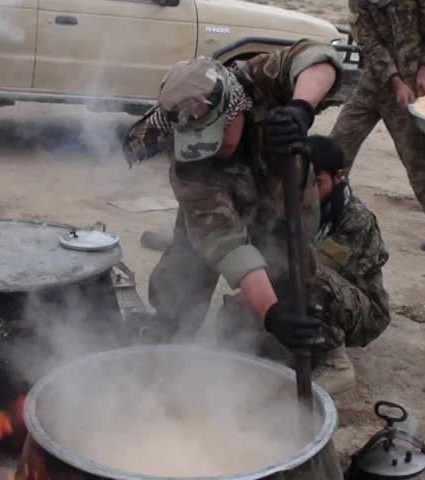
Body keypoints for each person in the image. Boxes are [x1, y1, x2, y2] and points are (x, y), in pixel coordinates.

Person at [121, 39, 361, 393]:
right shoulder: (190, 167)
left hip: (282, 202)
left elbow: (320, 59)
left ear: (235, 110)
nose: (212, 150)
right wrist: (272, 314)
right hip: (219, 209)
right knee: (183, 270)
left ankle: (328, 355)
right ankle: (169, 329)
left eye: (216, 136)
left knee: (290, 285)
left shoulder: (253, 81)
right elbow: (224, 241)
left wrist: (300, 108)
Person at [217, 135, 391, 394]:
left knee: (303, 271)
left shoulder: (356, 218)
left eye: (316, 183)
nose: (306, 192)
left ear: (338, 177)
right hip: (313, 293)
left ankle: (336, 363)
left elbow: (312, 274)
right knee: (232, 321)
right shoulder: (291, 205)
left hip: (360, 310)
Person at [331, 0, 425, 253]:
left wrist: (423, 74)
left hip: (411, 85)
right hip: (373, 83)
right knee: (338, 145)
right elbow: (371, 41)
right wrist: (394, 80)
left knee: (415, 156)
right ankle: (327, 211)